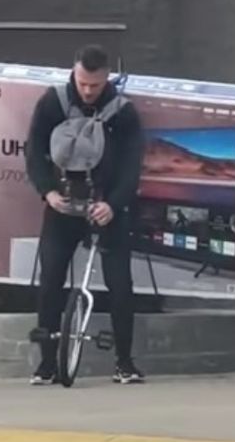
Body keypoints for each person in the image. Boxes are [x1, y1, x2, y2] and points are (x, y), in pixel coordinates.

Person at [25, 45, 146, 385]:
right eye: (82, 83)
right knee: (50, 280)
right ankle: (47, 364)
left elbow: (132, 165)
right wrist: (47, 192)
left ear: (107, 77)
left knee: (120, 284)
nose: (88, 90)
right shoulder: (53, 102)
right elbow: (33, 151)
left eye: (94, 84)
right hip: (61, 206)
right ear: (73, 73)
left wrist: (114, 203)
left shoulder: (123, 112)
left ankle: (124, 362)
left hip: (107, 208)